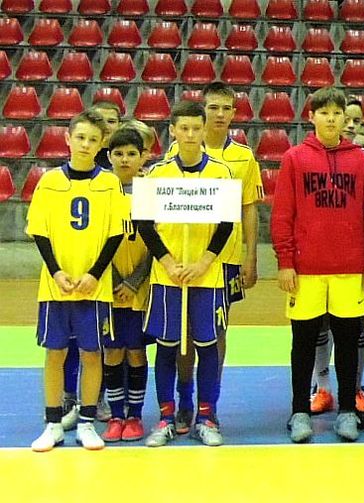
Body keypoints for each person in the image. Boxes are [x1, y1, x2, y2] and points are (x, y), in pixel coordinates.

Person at [273, 87, 364, 443]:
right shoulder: (294, 158)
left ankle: (347, 410)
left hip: (350, 268)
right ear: (311, 117)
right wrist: (285, 261)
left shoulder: (361, 161)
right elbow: (283, 214)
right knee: (303, 342)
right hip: (306, 269)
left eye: (337, 113)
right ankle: (299, 411)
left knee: (348, 342)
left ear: (345, 119)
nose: (332, 119)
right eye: (324, 113)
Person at [137, 101, 238, 447]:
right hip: (168, 276)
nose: (191, 135)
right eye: (184, 128)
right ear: (173, 131)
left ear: (204, 129)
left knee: (207, 346)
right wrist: (167, 262)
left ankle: (206, 416)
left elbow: (226, 223)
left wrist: (204, 262)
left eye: (197, 128)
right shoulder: (157, 174)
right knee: (167, 347)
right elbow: (144, 225)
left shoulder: (221, 173)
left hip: (207, 276)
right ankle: (168, 415)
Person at [164, 83, 264, 436]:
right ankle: (184, 400)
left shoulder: (243, 157)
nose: (219, 114)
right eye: (213, 107)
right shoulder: (177, 151)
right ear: (202, 111)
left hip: (226, 259)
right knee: (184, 332)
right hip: (185, 259)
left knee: (216, 331)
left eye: (226, 108)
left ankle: (210, 405)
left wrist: (251, 255)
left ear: (234, 113)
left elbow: (249, 208)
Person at [28, 111, 124, 452]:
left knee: (91, 353)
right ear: (68, 139)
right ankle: (53, 423)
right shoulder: (49, 181)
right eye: (80, 137)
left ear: (102, 144)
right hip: (56, 285)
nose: (85, 144)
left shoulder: (109, 183)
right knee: (55, 353)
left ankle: (86, 422)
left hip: (93, 287)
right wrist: (56, 271)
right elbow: (39, 231)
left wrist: (94, 274)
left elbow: (115, 234)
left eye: (93, 139)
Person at [100, 128, 152, 443]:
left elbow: (156, 243)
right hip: (108, 285)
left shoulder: (150, 192)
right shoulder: (101, 191)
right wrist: (116, 279)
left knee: (135, 350)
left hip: (139, 287)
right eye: (118, 154)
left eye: (132, 154)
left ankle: (135, 415)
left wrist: (133, 281)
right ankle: (116, 414)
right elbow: (96, 242)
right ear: (109, 157)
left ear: (143, 157)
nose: (124, 159)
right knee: (112, 350)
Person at [91, 101, 123, 169]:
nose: (105, 126)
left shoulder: (127, 152)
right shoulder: (83, 151)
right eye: (100, 120)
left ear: (119, 125)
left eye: (111, 121)